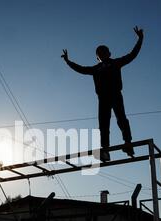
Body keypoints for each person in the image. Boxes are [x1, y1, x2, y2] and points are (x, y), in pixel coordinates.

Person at [61, 26, 144, 161]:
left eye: (104, 52)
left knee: (121, 119)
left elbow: (132, 55)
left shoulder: (115, 63)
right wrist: (68, 62)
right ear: (97, 57)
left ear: (109, 54)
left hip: (115, 95)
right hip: (103, 99)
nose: (102, 55)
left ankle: (128, 143)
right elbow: (81, 69)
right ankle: (105, 150)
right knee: (103, 124)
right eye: (100, 53)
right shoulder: (96, 69)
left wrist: (140, 39)